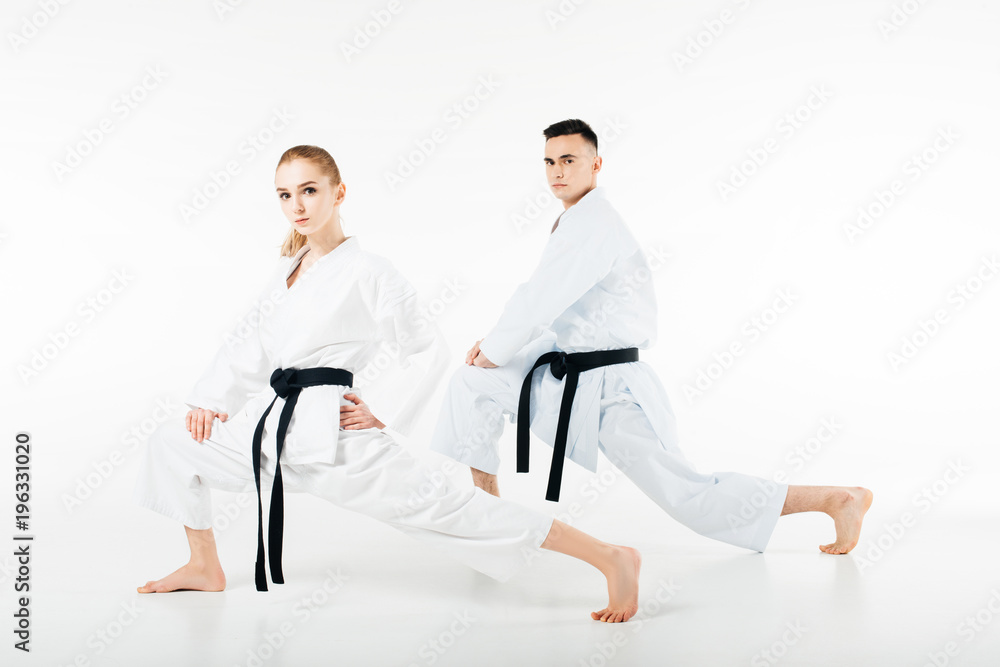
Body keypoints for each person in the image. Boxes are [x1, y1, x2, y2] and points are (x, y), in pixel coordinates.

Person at [132, 145, 641, 623]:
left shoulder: (370, 271)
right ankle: (204, 565)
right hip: (274, 429)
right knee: (174, 441)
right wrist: (209, 400)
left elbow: (424, 348)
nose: (297, 205)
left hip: (336, 436)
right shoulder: (287, 271)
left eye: (309, 190)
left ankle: (610, 556)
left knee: (451, 509)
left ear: (339, 193)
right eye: (285, 195)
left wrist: (383, 409)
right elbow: (249, 347)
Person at [430, 119, 873, 555]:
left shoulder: (594, 224)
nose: (557, 172)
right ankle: (489, 516)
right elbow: (553, 313)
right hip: (573, 376)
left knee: (687, 496)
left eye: (568, 159)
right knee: (471, 383)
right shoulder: (577, 221)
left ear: (596, 164)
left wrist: (493, 349)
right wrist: (495, 355)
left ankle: (837, 499)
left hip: (613, 390)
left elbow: (538, 299)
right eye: (549, 162)